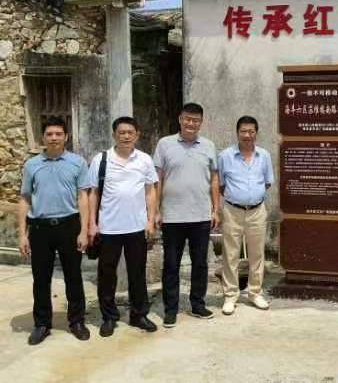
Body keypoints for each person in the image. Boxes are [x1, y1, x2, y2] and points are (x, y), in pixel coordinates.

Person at [18, 116, 91, 345]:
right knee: (41, 279)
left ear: (66, 137)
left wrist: (84, 230)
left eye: (58, 134)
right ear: (43, 137)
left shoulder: (78, 163)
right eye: (49, 134)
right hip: (40, 228)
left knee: (73, 277)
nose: (54, 138)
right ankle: (42, 324)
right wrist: (22, 234)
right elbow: (25, 199)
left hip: (69, 226)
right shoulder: (32, 165)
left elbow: (83, 197)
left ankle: (77, 321)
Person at [88, 116, 159, 337]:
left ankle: (139, 315)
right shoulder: (101, 159)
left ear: (137, 135)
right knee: (107, 274)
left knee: (137, 273)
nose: (126, 136)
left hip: (137, 227)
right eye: (121, 132)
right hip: (108, 228)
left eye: (130, 132)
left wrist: (151, 220)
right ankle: (109, 317)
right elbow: (93, 193)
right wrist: (92, 223)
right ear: (114, 135)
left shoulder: (144, 160)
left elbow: (150, 191)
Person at [153, 102, 220, 327]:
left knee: (200, 263)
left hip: (201, 215)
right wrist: (156, 210)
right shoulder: (165, 144)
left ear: (201, 122)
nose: (191, 123)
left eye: (196, 120)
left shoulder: (209, 146)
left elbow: (214, 180)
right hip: (172, 216)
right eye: (188, 119)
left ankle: (198, 304)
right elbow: (158, 178)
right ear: (180, 119)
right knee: (171, 264)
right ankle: (170, 309)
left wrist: (216, 209)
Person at [217, 115, 275, 316]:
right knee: (230, 254)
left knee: (257, 253)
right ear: (237, 133)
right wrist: (238, 197)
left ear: (256, 133)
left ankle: (255, 292)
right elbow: (221, 185)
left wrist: (252, 197)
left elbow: (267, 182)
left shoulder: (264, 155)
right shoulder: (225, 156)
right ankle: (230, 296)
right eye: (243, 131)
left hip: (257, 211)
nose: (247, 135)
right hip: (232, 211)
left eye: (251, 131)